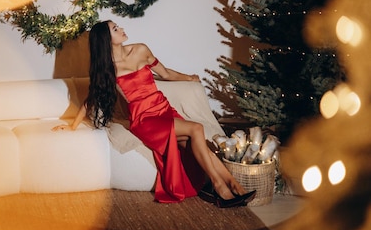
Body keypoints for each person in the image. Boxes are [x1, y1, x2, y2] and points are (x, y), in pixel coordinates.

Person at [53, 20, 255, 208]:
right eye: (115, 29)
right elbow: (92, 100)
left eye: (118, 26)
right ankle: (220, 188)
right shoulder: (108, 69)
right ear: (106, 40)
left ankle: (235, 186)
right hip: (144, 120)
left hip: (164, 109)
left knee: (199, 145)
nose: (121, 29)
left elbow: (166, 73)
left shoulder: (141, 50)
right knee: (196, 129)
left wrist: (190, 78)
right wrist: (72, 126)